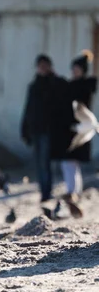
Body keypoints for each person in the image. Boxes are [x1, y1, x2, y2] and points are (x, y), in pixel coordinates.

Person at [52, 50, 97, 217]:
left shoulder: (83, 87)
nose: (74, 71)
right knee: (70, 162)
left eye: (77, 69)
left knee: (70, 161)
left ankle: (73, 192)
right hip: (74, 129)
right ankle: (73, 193)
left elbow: (76, 105)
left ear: (82, 70)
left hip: (79, 129)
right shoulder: (77, 86)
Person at [21, 54, 69, 203]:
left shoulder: (55, 84)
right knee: (39, 163)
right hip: (35, 130)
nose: (42, 68)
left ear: (49, 66)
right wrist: (24, 129)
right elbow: (28, 109)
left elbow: (64, 98)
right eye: (40, 66)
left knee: (45, 163)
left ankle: (47, 192)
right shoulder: (33, 86)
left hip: (48, 131)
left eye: (45, 65)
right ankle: (44, 191)